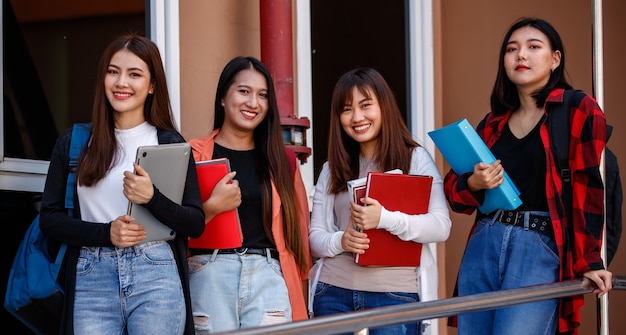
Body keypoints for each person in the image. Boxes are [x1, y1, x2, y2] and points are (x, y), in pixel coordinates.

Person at [443, 17, 612, 335]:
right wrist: (473, 184)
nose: (521, 55)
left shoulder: (577, 108)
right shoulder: (492, 123)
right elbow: (452, 191)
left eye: (534, 47)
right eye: (512, 49)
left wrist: (590, 260)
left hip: (538, 247)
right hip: (483, 243)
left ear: (555, 59)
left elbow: (589, 187)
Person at [39, 34, 205, 335]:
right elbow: (49, 219)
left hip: (155, 270)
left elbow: (194, 222)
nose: (121, 82)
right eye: (113, 71)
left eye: (134, 74)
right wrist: (107, 233)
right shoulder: (74, 143)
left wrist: (152, 197)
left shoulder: (169, 143)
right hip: (91, 274)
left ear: (152, 85)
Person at [308, 67, 452, 335]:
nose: (357, 117)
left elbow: (441, 226)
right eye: (347, 109)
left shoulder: (415, 159)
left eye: (365, 105)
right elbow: (314, 237)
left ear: (383, 106)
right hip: (333, 293)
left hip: (395, 297)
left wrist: (384, 218)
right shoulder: (332, 168)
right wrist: (342, 240)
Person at [187, 56, 311, 332]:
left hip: (269, 274)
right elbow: (175, 228)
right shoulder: (193, 155)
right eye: (244, 91)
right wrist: (212, 207)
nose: (253, 103)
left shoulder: (283, 160)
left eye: (262, 95)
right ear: (222, 97)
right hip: (209, 273)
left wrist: (303, 300)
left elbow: (299, 238)